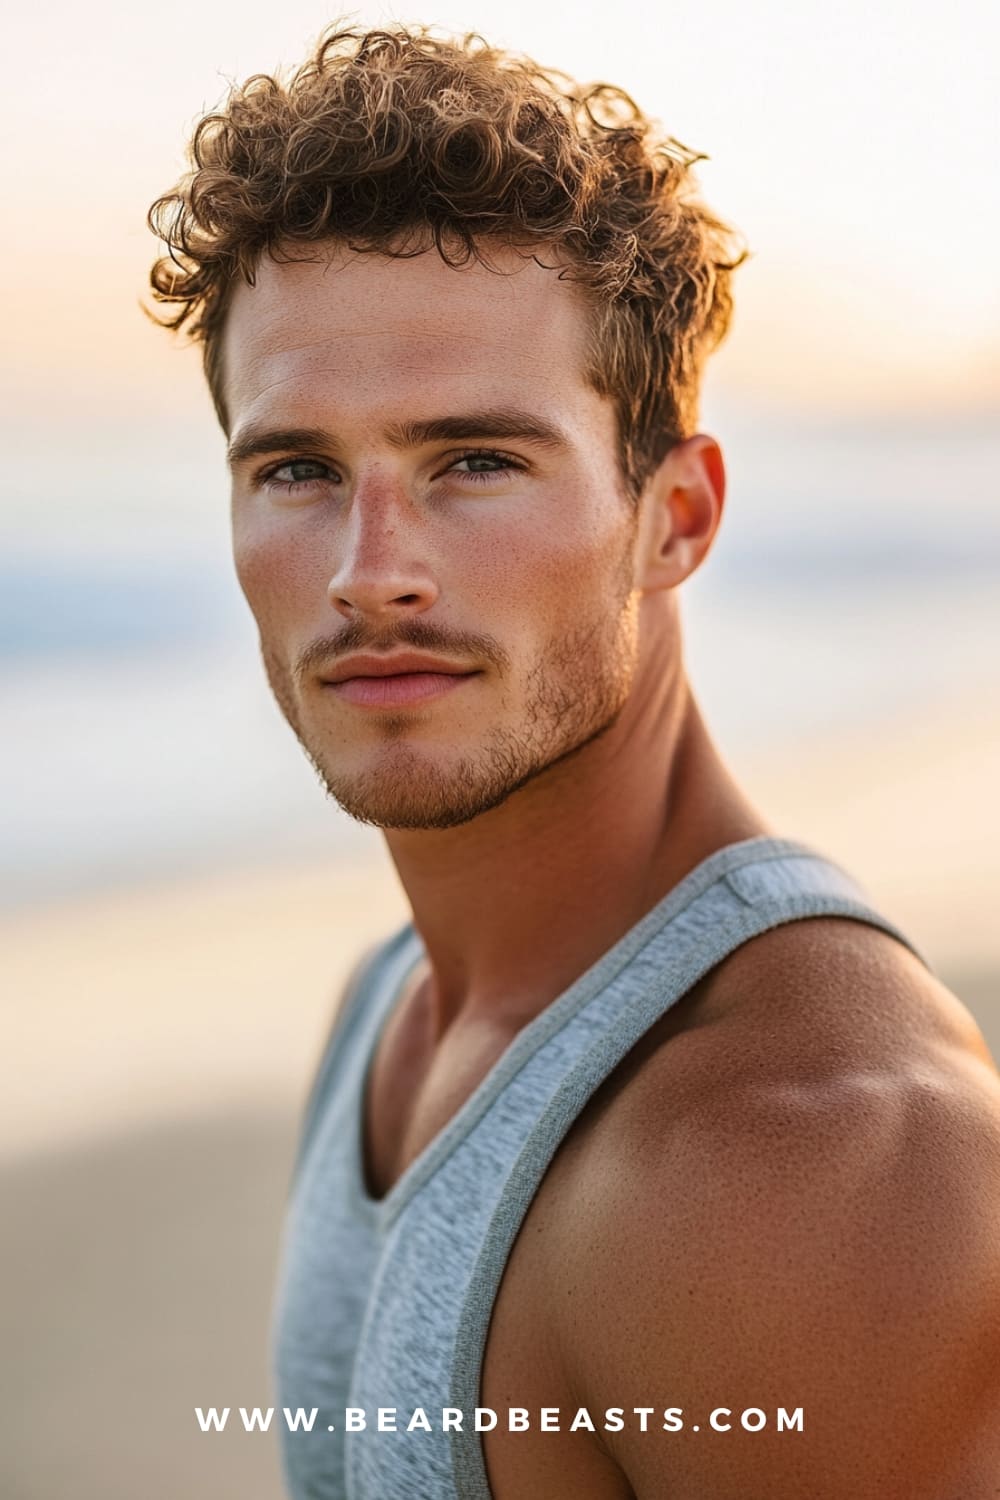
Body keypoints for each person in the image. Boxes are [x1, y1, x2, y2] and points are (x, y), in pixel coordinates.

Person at [146, 24, 1000, 1499]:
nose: (370, 574)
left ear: (675, 515)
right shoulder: (393, 1007)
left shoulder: (800, 1160)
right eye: (300, 470)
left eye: (476, 460)